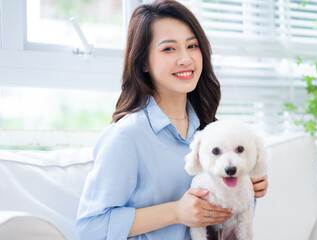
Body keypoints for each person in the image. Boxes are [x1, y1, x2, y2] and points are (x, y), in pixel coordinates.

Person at [76, 0, 268, 239]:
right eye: (169, 49)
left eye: (192, 45)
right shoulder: (126, 137)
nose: (186, 59)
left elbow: (225, 222)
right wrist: (176, 212)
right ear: (143, 62)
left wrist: (244, 184)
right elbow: (89, 228)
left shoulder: (210, 132)